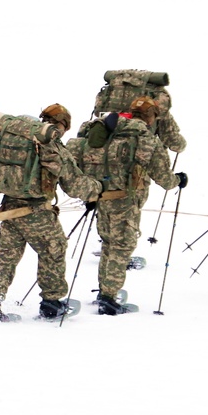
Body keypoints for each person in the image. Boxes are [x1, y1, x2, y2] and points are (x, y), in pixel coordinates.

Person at [0, 105, 102, 322]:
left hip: (9, 208)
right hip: (37, 212)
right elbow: (74, 185)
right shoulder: (49, 145)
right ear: (62, 124)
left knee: (5, 256)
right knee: (53, 249)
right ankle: (52, 303)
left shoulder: (12, 138)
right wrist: (98, 188)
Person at [66, 97, 187, 315]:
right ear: (151, 117)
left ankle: (105, 290)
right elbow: (165, 179)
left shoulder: (106, 131)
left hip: (100, 196)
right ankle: (109, 299)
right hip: (126, 200)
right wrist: (179, 180)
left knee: (108, 244)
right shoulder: (146, 138)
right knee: (121, 247)